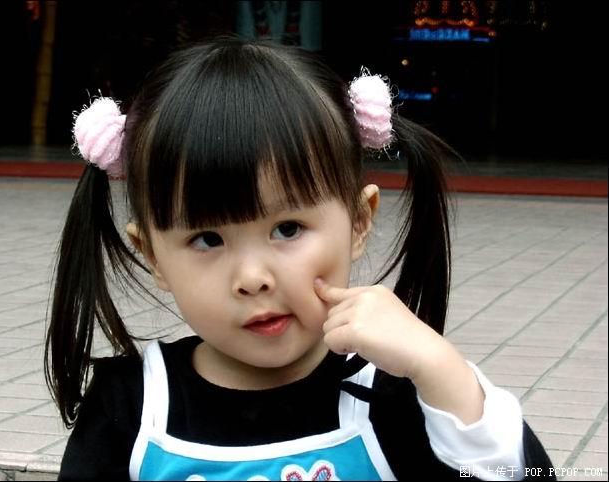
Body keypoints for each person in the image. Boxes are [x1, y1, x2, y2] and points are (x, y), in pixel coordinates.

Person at [45, 37, 554, 480]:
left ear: (359, 221)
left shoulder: (401, 395)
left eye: (287, 229)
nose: (252, 278)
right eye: (207, 239)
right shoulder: (133, 410)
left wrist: (445, 373)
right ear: (153, 255)